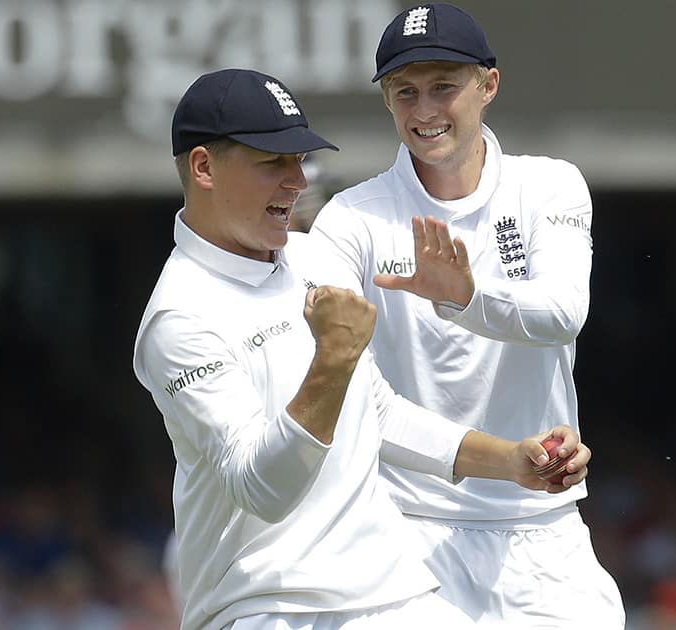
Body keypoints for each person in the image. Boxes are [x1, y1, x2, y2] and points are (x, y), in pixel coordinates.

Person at [132, 67, 592, 630]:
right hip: (268, 606)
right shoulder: (178, 317)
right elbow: (261, 487)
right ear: (204, 167)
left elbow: (377, 411)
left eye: (299, 160)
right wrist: (331, 359)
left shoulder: (309, 259)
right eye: (272, 163)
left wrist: (509, 461)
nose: (297, 182)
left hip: (390, 592)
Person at [306, 4, 626, 627]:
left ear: (489, 85)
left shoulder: (550, 186)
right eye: (406, 92)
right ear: (387, 103)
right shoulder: (349, 219)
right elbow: (352, 398)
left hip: (543, 525)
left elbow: (563, 313)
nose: (424, 111)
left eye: (444, 87)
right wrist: (501, 455)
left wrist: (465, 299)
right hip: (405, 533)